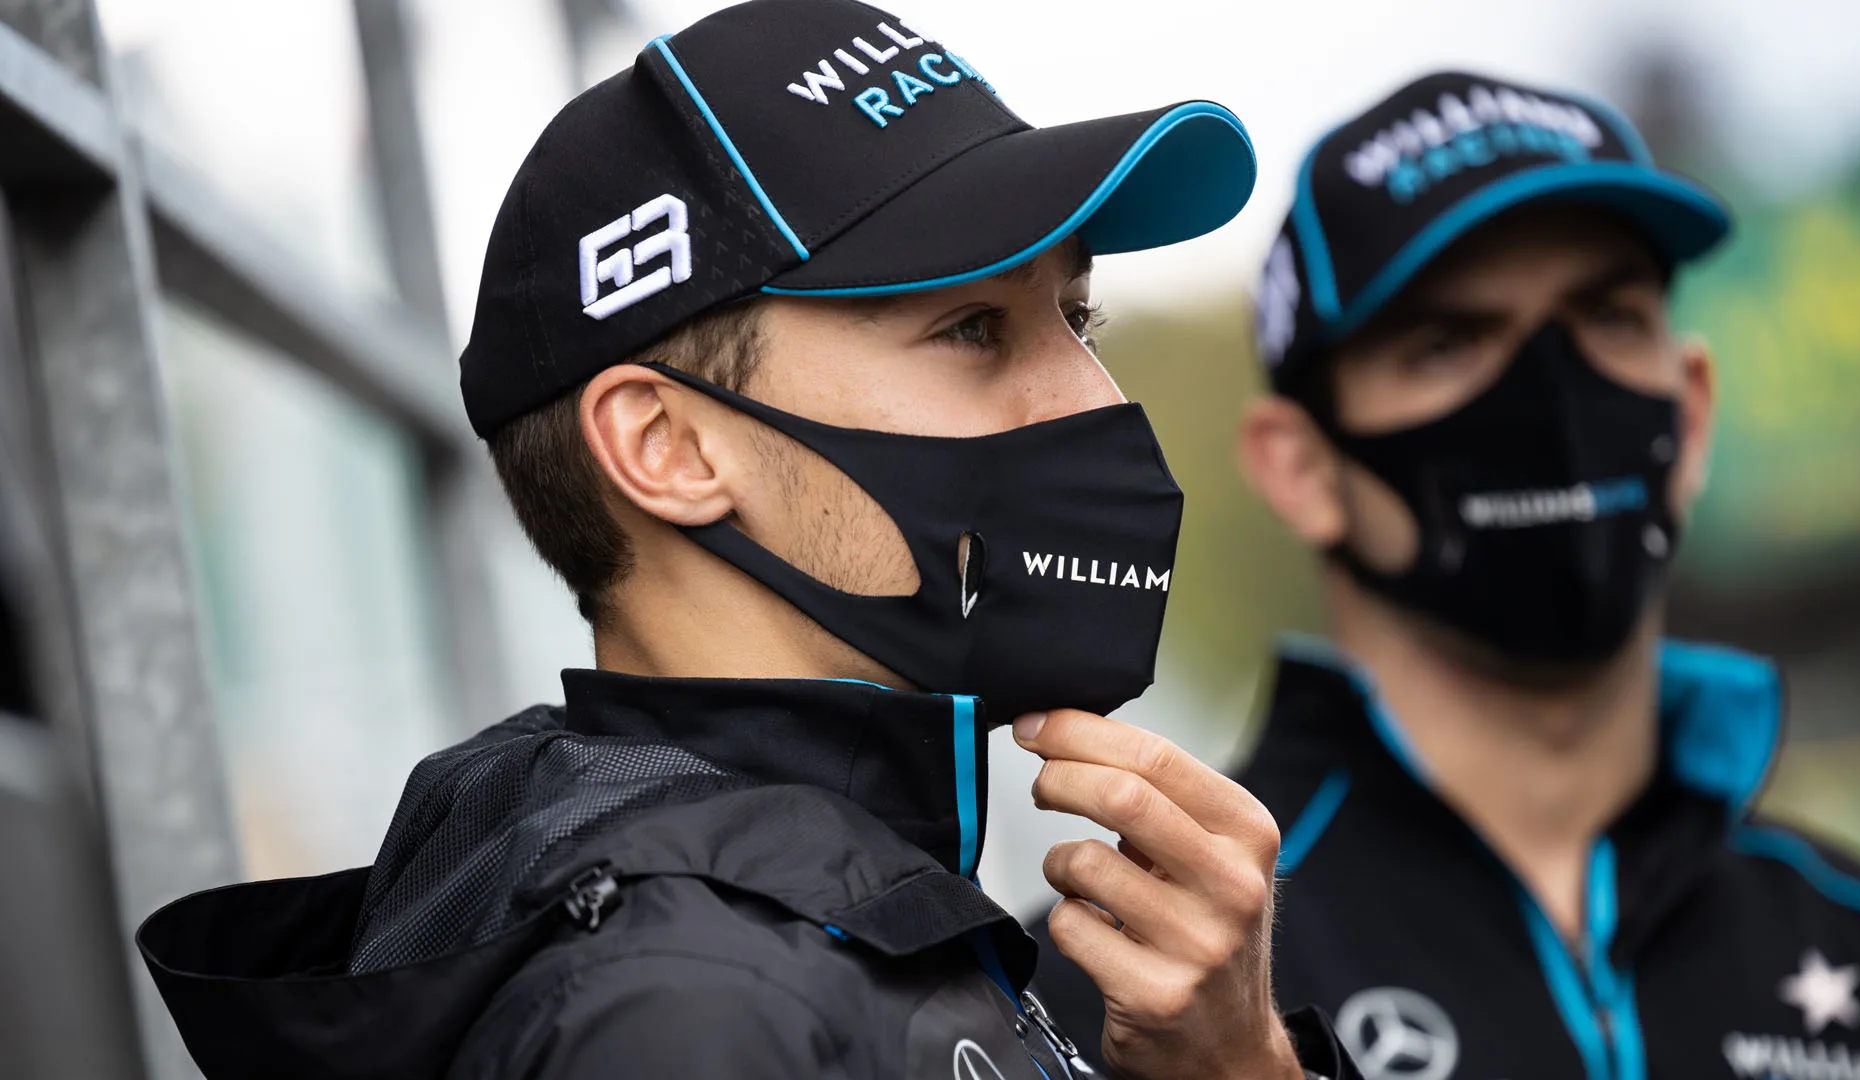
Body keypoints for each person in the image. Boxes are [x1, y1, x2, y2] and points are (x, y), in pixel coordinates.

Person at [135, 2, 1359, 1077]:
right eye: (974, 330)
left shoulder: (836, 906)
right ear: (668, 448)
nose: (1095, 401)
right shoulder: (689, 1009)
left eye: (1078, 317)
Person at [1032, 71, 1860, 1079]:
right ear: (1301, 466)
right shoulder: (1102, 996)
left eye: (1608, 316)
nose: (1554, 393)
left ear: (1695, 411)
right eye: (1449, 341)